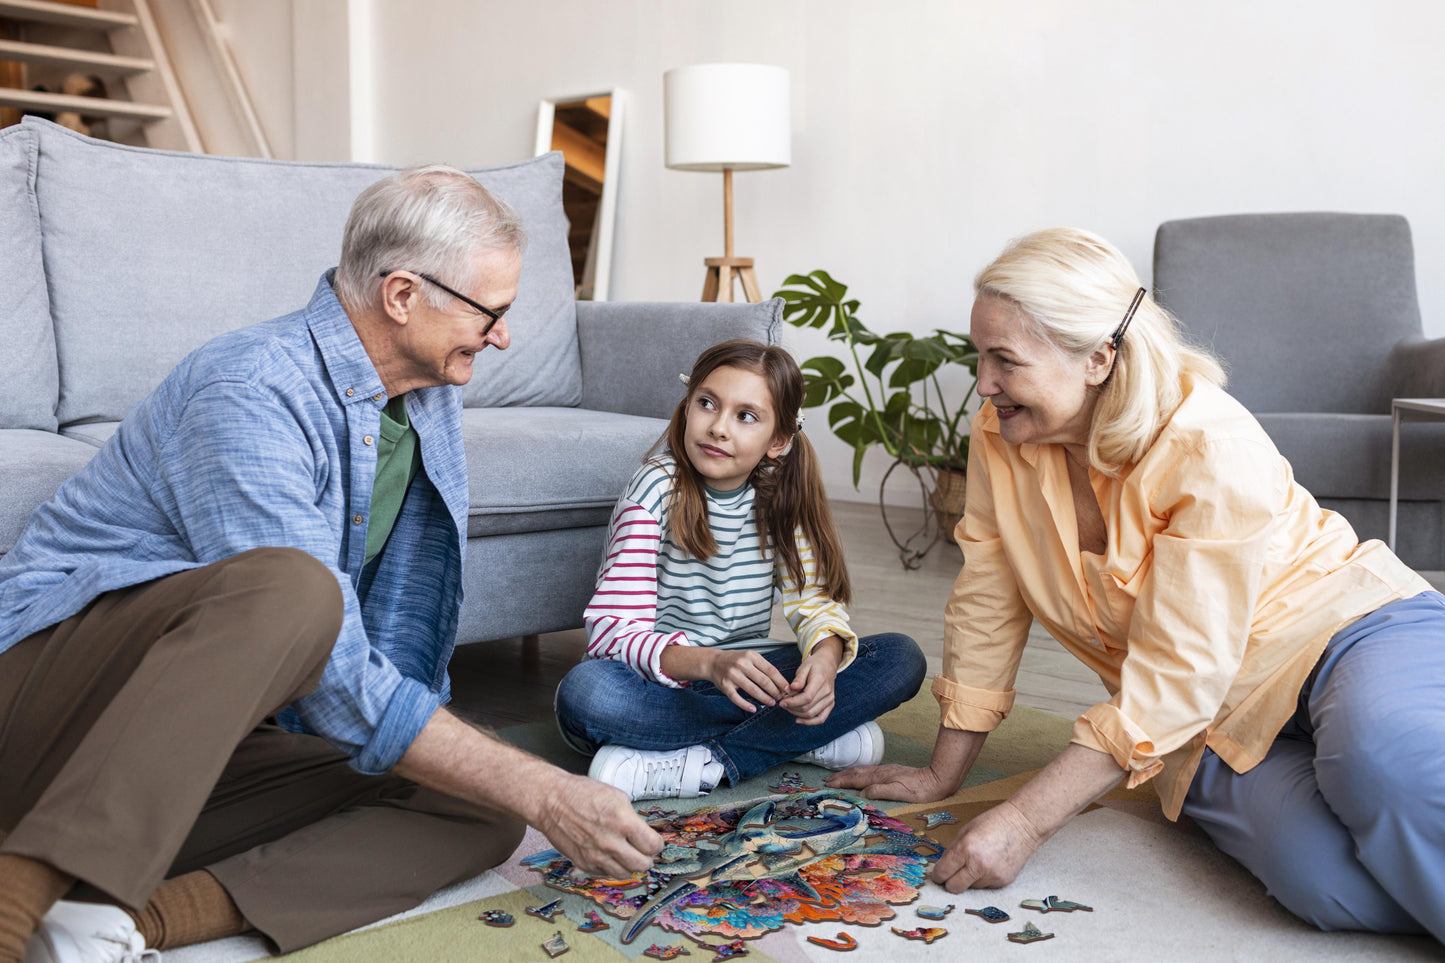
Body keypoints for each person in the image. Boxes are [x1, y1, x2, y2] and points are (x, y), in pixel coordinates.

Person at [0, 166, 661, 963]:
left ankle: (113, 922)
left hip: (179, 750)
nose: (502, 335)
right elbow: (332, 665)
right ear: (402, 295)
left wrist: (509, 785)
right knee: (292, 587)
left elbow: (375, 655)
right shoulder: (249, 386)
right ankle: (17, 901)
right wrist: (548, 785)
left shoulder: (423, 393)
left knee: (477, 808)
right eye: (492, 311)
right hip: (44, 708)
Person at [831, 227, 1445, 941]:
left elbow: (1176, 669)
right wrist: (943, 773)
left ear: (1097, 358)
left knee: (1379, 768)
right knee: (1319, 881)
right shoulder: (998, 433)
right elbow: (986, 604)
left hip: (1345, 629)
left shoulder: (1209, 443)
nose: (983, 383)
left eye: (1005, 360)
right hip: (1204, 717)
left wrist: (1029, 817)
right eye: (980, 356)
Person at [555, 339, 926, 800]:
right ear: (687, 408)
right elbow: (612, 632)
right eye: (707, 404)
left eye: (745, 416)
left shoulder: (779, 498)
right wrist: (711, 663)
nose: (718, 428)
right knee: (588, 695)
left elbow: (815, 607)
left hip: (751, 681)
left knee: (900, 658)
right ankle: (797, 739)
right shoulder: (654, 487)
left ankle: (701, 762)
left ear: (779, 441)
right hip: (663, 684)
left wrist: (824, 668)